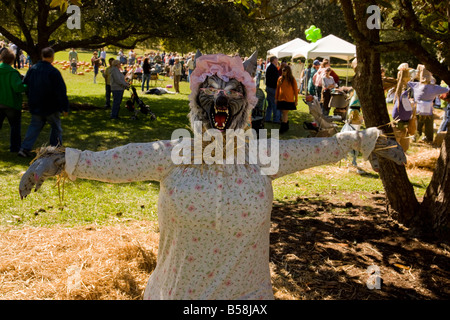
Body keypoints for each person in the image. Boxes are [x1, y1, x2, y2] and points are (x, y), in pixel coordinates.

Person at [19, 53, 407, 300]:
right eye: (211, 92)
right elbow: (119, 161)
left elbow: (318, 149)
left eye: (233, 93)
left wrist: (367, 140)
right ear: (197, 104)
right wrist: (61, 160)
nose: (221, 101)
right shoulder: (174, 155)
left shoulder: (263, 156)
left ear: (247, 103)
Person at [18, 47, 69, 158]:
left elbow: (25, 83)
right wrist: (65, 107)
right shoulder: (53, 72)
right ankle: (55, 149)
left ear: (42, 56)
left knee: (34, 126)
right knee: (56, 128)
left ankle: (25, 148)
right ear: (52, 57)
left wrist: (30, 96)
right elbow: (61, 90)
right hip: (51, 105)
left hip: (35, 104)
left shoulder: (33, 69)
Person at [408, 65, 449, 143]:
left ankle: (415, 136)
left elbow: (407, 83)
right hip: (428, 109)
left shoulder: (416, 85)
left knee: (418, 124)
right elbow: (447, 89)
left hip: (417, 109)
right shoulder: (435, 88)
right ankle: (428, 138)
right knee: (429, 124)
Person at [0, 48, 26, 153]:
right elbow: (18, 88)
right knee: (15, 127)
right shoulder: (13, 72)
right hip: (11, 104)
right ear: (12, 60)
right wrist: (26, 85)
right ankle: (15, 148)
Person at [275, 65, 298, 133]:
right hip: (281, 99)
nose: (283, 72)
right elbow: (277, 89)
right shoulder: (280, 79)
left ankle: (283, 127)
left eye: (284, 70)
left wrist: (296, 100)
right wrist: (276, 98)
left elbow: (295, 91)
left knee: (285, 112)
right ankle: (286, 125)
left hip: (288, 99)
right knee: (283, 112)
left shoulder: (292, 79)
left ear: (288, 71)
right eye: (282, 70)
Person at [264, 56, 281, 124]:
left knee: (270, 105)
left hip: (269, 87)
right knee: (275, 104)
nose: (277, 61)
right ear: (274, 60)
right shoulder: (273, 68)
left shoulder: (270, 67)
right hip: (272, 88)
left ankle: (267, 118)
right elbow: (275, 78)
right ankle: (276, 119)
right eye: (276, 59)